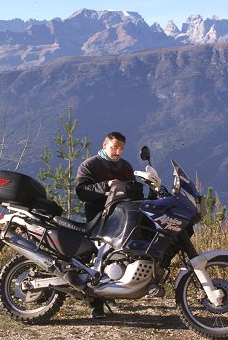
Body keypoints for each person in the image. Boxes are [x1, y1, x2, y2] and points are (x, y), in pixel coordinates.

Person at [75, 131, 134, 319]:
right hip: (98, 217)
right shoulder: (90, 165)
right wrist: (107, 185)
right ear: (105, 144)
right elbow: (82, 191)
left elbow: (133, 189)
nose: (118, 151)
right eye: (114, 147)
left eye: (121, 148)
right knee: (96, 259)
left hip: (122, 218)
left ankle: (113, 290)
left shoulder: (126, 167)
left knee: (117, 255)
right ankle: (95, 303)